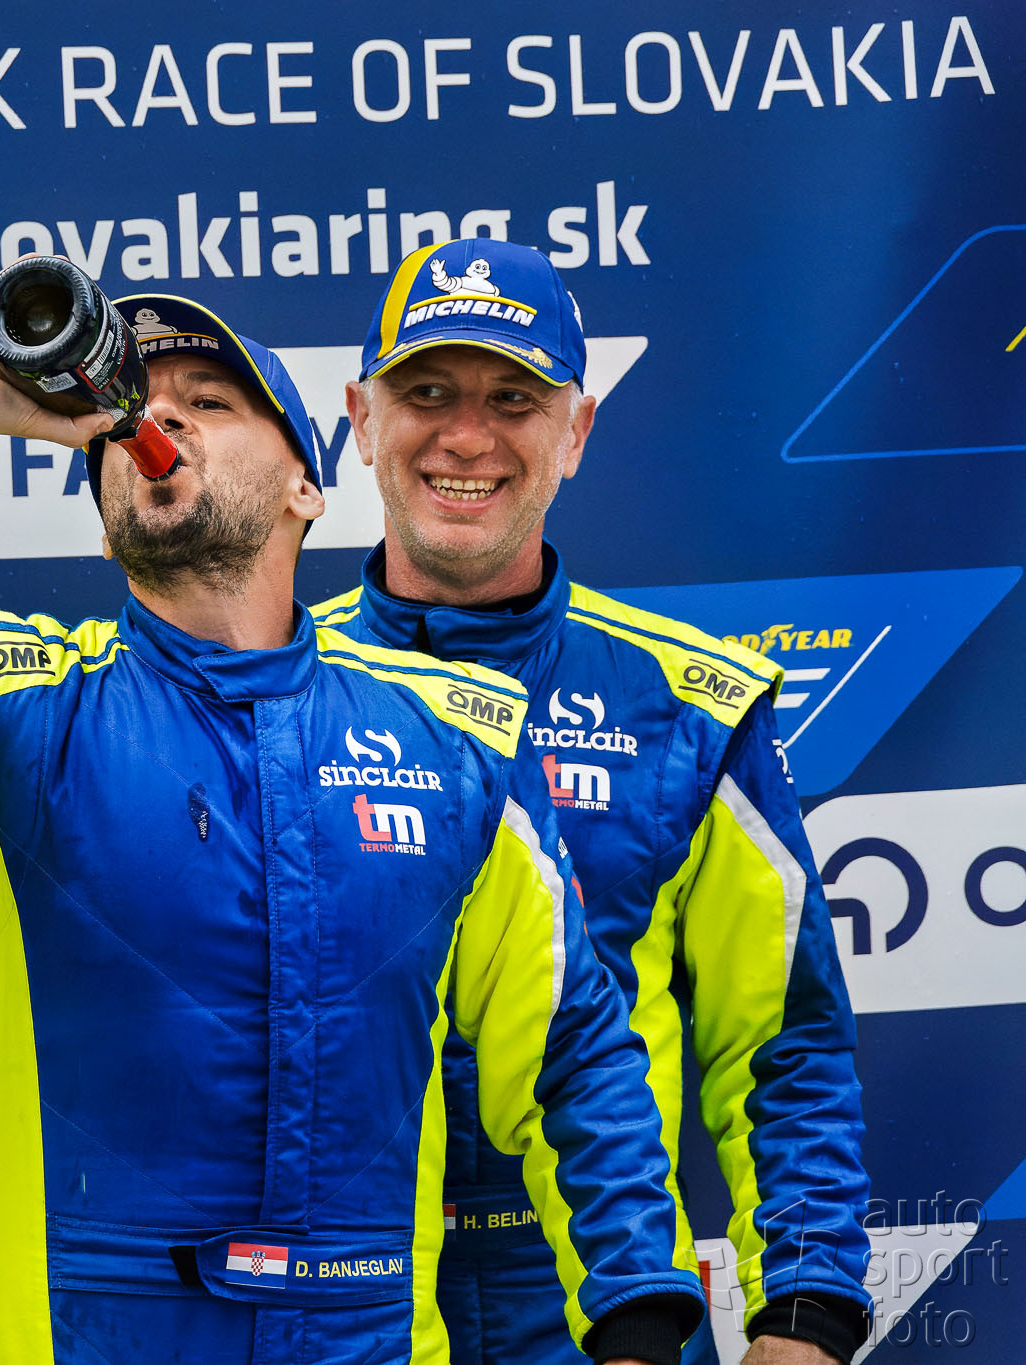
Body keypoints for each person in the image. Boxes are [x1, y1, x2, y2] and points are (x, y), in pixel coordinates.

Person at [0, 286, 707, 1364]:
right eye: (131, 409)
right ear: (103, 506)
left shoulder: (452, 736)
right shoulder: (1, 710)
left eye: (209, 399)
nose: (156, 419)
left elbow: (574, 1056)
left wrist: (635, 1323)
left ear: (306, 487)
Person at [317, 239, 871, 1365]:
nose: (466, 436)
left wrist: (804, 1317)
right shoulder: (273, 689)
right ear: (361, 421)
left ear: (574, 431)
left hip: (611, 1306)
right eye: (427, 392)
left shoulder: (690, 704)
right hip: (342, 1301)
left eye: (512, 399)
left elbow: (786, 1044)